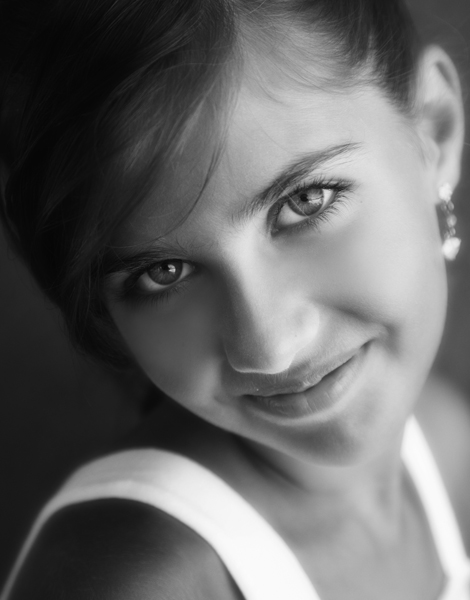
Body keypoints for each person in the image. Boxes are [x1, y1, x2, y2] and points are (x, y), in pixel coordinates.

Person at [0, 0, 469, 598]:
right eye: (164, 272)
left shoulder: (442, 440)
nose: (269, 348)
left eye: (305, 202)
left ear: (433, 129)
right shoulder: (138, 583)